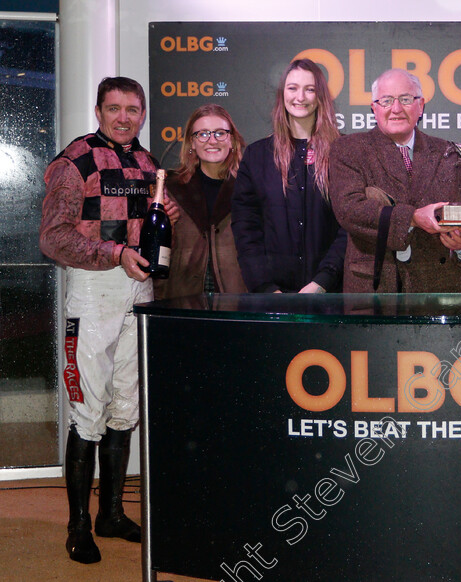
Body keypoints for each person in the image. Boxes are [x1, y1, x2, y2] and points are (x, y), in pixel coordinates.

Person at [39, 76, 180, 564]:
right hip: (94, 289)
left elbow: (155, 224)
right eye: (114, 108)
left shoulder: (147, 164)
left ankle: (111, 514)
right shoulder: (75, 159)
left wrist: (166, 218)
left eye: (133, 109)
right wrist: (115, 251)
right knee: (88, 406)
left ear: (142, 114)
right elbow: (54, 239)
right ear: (98, 110)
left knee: (125, 402)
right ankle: (78, 526)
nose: (124, 117)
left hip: (139, 286)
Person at [329, 68, 461, 293]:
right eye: (386, 101)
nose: (396, 109)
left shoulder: (450, 153)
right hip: (376, 290)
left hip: (440, 290)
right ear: (374, 108)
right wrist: (413, 218)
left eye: (406, 99)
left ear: (421, 105)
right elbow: (349, 210)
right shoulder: (348, 149)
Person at [232, 58, 346, 293]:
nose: (300, 97)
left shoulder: (344, 152)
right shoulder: (257, 156)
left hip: (330, 296)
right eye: (292, 88)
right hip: (272, 299)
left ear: (321, 96)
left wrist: (322, 282)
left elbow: (350, 227)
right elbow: (246, 230)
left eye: (310, 89)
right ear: (282, 94)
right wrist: (266, 288)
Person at [154, 104, 248, 299]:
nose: (212, 141)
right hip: (181, 300)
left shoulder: (250, 189)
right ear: (192, 143)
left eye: (220, 133)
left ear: (231, 140)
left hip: (237, 302)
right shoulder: (169, 189)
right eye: (203, 134)